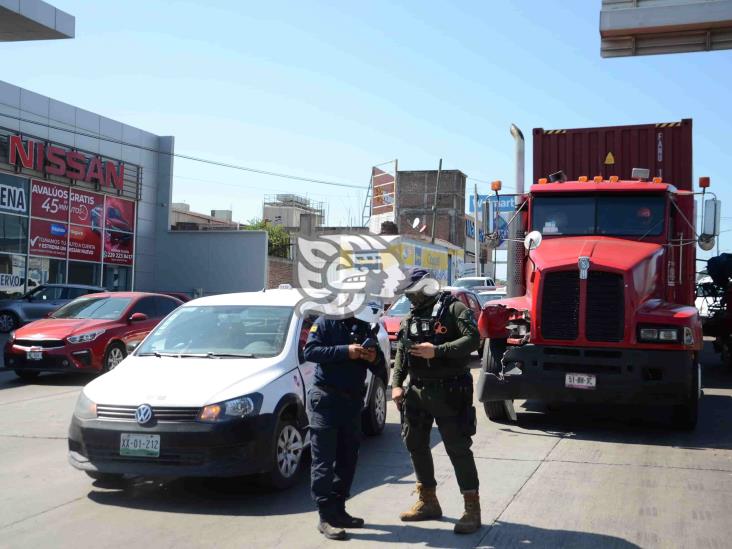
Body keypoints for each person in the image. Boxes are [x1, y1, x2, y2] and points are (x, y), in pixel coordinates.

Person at [391, 269, 482, 535]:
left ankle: (471, 509)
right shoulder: (411, 317)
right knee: (415, 444)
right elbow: (402, 355)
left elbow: (473, 339)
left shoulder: (454, 309)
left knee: (458, 449)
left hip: (450, 392)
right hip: (417, 392)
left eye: (412, 290)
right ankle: (428, 501)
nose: (409, 296)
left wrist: (438, 350)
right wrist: (397, 384)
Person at [303, 301, 387, 541]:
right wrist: (345, 351)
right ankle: (325, 516)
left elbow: (380, 366)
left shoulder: (363, 326)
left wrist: (372, 357)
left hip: (351, 402)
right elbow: (310, 352)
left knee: (348, 458)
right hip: (326, 400)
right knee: (323, 461)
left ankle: (339, 510)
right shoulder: (325, 322)